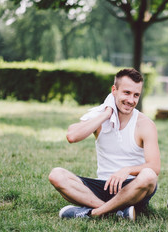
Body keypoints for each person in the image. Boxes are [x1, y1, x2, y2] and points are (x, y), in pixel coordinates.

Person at [48, 68, 160, 221]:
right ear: (114, 90)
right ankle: (116, 211)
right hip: (104, 186)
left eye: (136, 95)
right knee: (56, 175)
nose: (131, 100)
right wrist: (106, 114)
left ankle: (94, 213)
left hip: (133, 188)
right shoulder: (100, 115)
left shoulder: (146, 124)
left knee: (149, 176)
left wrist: (126, 170)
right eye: (126, 93)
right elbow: (72, 136)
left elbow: (154, 167)